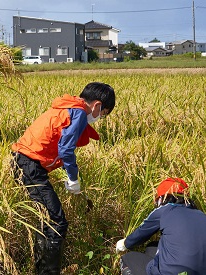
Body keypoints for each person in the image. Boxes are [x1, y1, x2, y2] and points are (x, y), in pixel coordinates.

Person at [11, 82, 116, 274]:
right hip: (28, 166)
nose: (100, 117)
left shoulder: (69, 108)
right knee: (57, 222)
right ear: (97, 105)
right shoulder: (78, 113)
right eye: (103, 113)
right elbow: (66, 149)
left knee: (48, 220)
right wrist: (73, 178)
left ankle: (40, 270)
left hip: (26, 164)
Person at [116, 178, 206, 275]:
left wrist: (124, 244)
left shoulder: (165, 210)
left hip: (170, 273)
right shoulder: (201, 214)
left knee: (127, 258)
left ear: (162, 198)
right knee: (152, 247)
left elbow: (140, 234)